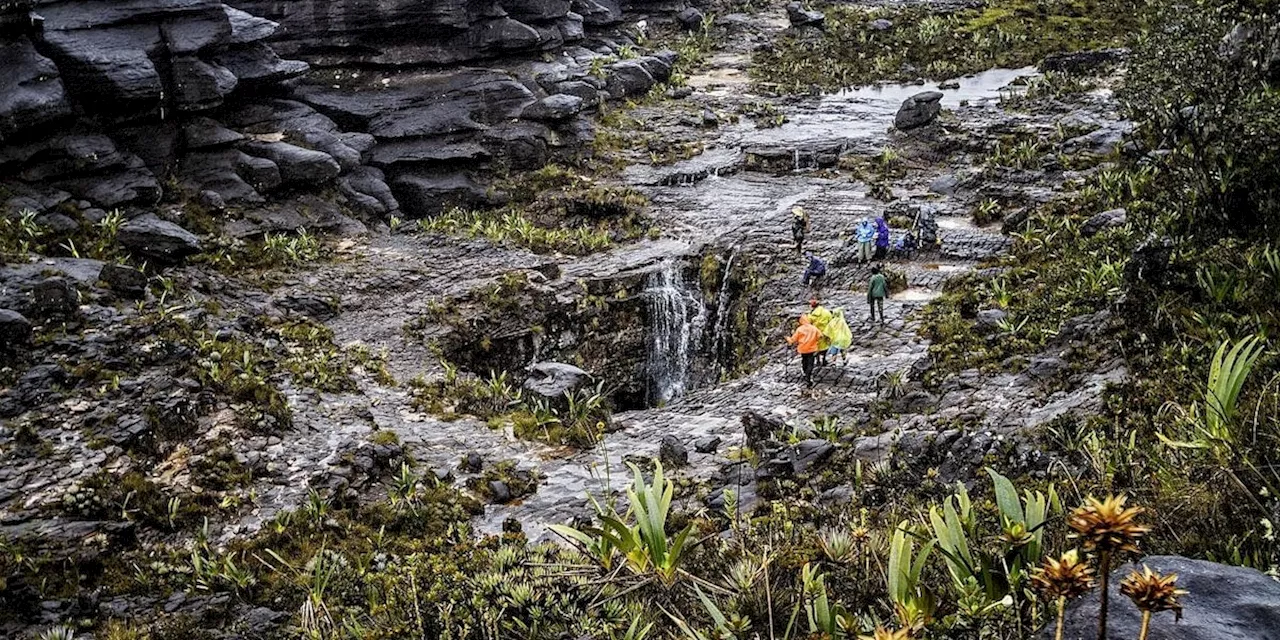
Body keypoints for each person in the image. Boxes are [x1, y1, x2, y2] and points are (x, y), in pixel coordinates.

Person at [786, 314, 822, 388]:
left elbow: (793, 340)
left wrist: (788, 339)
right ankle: (808, 376)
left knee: (804, 360)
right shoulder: (814, 328)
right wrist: (815, 341)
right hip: (812, 349)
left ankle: (805, 372)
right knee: (810, 363)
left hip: (803, 349)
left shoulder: (800, 329)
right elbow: (820, 336)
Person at [808, 299, 833, 365]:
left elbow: (808, 324)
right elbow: (831, 322)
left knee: (816, 347)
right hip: (825, 332)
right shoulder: (827, 312)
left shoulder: (811, 315)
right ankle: (824, 359)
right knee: (825, 346)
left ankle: (818, 360)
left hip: (815, 334)